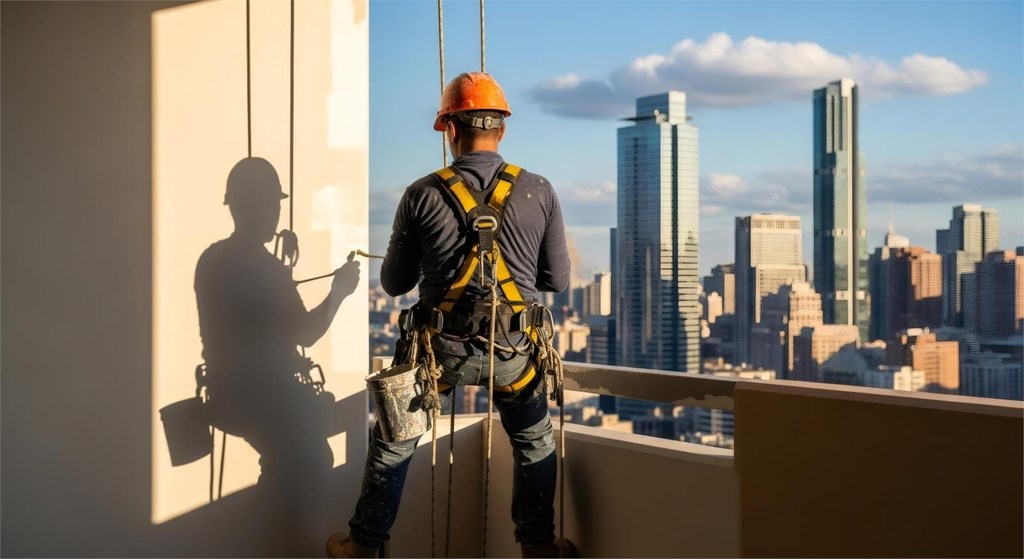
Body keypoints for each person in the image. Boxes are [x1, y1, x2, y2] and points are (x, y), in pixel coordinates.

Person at [327, 73, 571, 558]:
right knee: (534, 441)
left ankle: (363, 545)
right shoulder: (538, 191)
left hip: (440, 353)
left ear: (449, 130)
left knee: (395, 442)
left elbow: (395, 284)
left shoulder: (421, 194)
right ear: (501, 129)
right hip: (514, 355)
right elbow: (557, 280)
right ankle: (538, 548)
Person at [195, 157, 360, 492]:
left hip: (229, 393)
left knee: (293, 459)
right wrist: (339, 293)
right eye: (272, 205)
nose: (275, 214)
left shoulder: (212, 260)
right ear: (260, 208)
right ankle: (279, 531)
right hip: (264, 395)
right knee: (308, 459)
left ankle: (273, 526)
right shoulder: (264, 267)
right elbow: (307, 333)